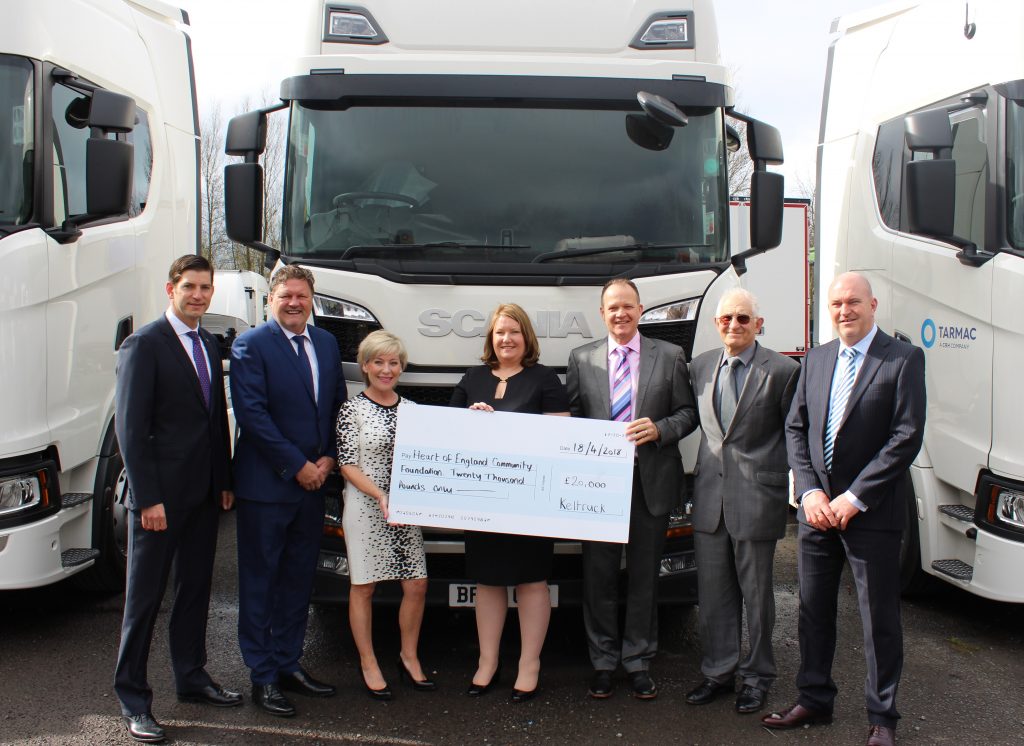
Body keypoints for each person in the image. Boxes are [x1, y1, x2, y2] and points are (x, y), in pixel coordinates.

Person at [764, 272, 926, 746]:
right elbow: (796, 428)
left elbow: (906, 436)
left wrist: (854, 498)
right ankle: (814, 699)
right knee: (813, 612)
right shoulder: (817, 358)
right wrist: (810, 491)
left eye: (853, 302)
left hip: (870, 514)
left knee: (879, 621)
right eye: (836, 304)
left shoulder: (903, 359)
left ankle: (882, 718)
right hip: (817, 514)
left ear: (872, 305)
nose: (844, 311)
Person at [113, 254, 240, 744]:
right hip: (158, 503)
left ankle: (191, 677)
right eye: (190, 287)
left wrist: (223, 480)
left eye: (205, 287)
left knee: (195, 591)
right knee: (143, 602)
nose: (198, 295)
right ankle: (133, 699)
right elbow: (131, 429)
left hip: (203, 496)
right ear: (171, 289)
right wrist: (147, 499)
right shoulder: (144, 344)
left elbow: (214, 420)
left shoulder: (207, 342)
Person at [566, 278, 698, 700]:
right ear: (601, 313)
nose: (620, 314)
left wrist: (660, 429)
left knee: (644, 577)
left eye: (627, 306)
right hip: (598, 486)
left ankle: (638, 661)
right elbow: (571, 417)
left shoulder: (671, 355)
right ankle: (603, 662)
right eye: (612, 307)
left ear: (640, 310)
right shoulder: (581, 358)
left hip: (650, 483)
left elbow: (688, 413)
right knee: (598, 578)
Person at [230, 265, 347, 717]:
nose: (294, 303)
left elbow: (336, 406)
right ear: (270, 300)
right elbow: (253, 415)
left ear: (311, 299)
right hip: (268, 486)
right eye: (286, 296)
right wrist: (297, 466)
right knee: (261, 581)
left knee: (299, 579)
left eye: (301, 296)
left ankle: (288, 663)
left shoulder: (326, 343)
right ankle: (262, 676)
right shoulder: (251, 345)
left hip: (314, 484)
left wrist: (329, 457)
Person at [684, 288, 799, 715]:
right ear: (717, 324)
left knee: (758, 598)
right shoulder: (699, 367)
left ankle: (758, 677)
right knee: (714, 596)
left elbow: (794, 434)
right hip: (710, 499)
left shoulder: (784, 371)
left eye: (743, 318)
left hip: (757, 497)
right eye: (726, 318)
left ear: (758, 324)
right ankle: (718, 672)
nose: (734, 325)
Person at [449, 303, 570, 702]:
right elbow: (446, 431)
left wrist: (505, 425)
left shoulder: (545, 378)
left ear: (526, 337)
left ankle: (529, 664)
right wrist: (471, 419)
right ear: (491, 337)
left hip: (529, 499)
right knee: (487, 581)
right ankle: (487, 662)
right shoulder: (472, 377)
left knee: (532, 581)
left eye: (514, 332)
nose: (506, 339)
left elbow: (562, 434)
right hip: (483, 498)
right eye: (500, 332)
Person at [336, 330, 431, 701]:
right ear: (365, 366)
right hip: (365, 507)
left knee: (416, 584)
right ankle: (368, 662)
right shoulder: (352, 409)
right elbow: (347, 464)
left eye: (393, 362)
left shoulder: (414, 411)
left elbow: (439, 452)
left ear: (401, 367)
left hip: (403, 510)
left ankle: (409, 656)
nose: (386, 369)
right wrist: (380, 496)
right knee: (364, 587)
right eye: (378, 362)